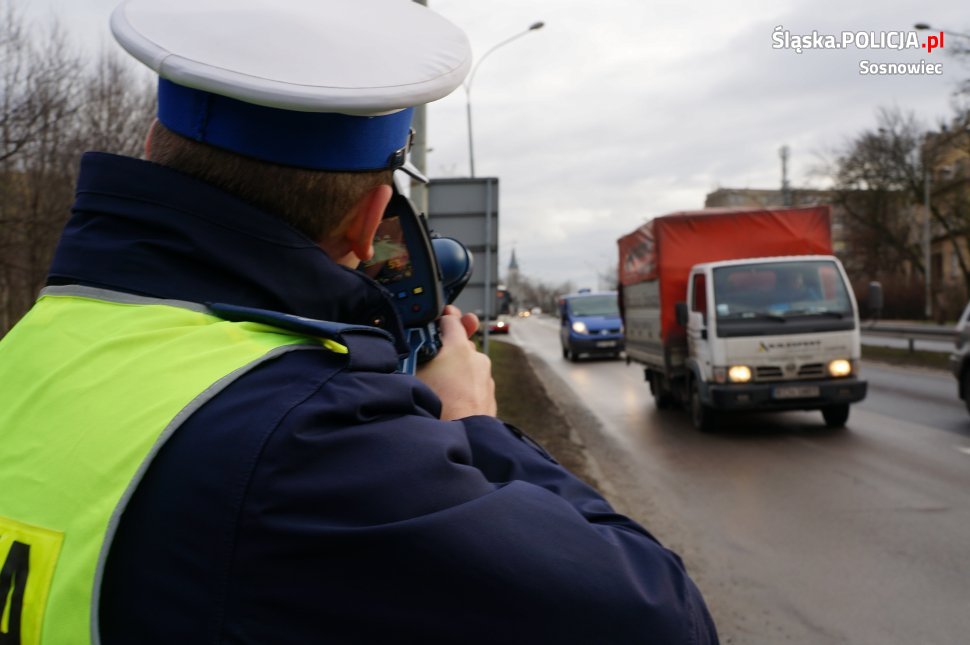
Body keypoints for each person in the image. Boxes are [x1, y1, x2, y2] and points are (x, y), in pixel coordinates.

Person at [0, 1, 719, 643]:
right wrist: (471, 427)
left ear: (154, 146)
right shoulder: (304, 442)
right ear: (369, 221)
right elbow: (663, 617)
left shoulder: (32, 343)